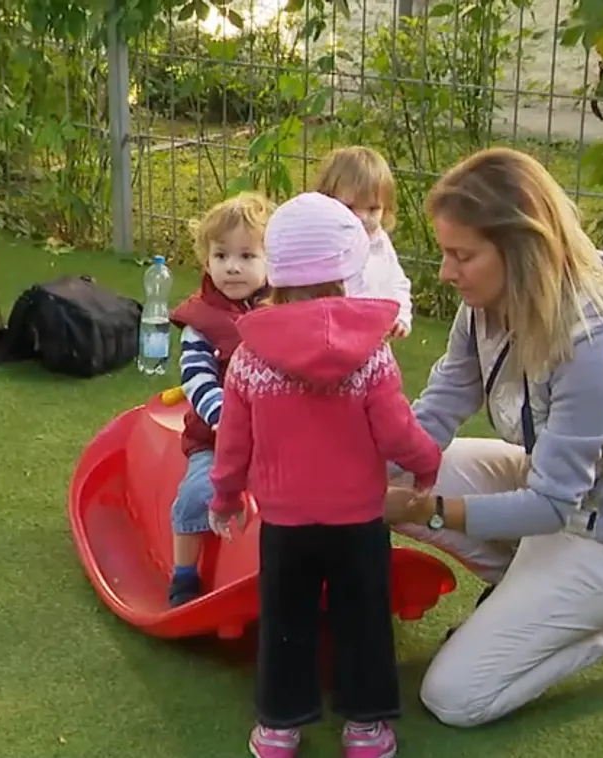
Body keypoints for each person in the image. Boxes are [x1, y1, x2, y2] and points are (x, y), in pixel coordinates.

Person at [382, 146, 603, 728]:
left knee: (453, 697)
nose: (446, 271)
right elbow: (442, 405)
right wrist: (375, 470)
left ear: (522, 251)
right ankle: (527, 603)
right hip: (547, 485)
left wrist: (431, 511)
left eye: (462, 255)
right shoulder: (484, 306)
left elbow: (552, 505)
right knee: (389, 482)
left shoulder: (602, 347)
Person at [208, 192, 442, 758]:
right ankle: (364, 727)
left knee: (287, 619)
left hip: (285, 521)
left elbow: (234, 439)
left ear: (275, 271)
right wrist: (426, 464)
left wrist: (225, 495)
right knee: (362, 618)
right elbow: (396, 431)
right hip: (358, 519)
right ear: (348, 268)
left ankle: (279, 727)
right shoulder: (371, 355)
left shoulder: (249, 356)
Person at [165, 192, 274, 607]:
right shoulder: (201, 322)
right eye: (221, 254)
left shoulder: (282, 311)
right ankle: (184, 575)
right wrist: (226, 418)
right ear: (206, 260)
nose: (232, 266)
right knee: (197, 492)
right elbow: (196, 379)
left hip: (276, 438)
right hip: (216, 438)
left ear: (270, 261)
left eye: (247, 255)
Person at [314, 146, 414, 339]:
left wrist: (400, 316)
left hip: (373, 338)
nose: (361, 217)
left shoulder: (379, 242)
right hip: (330, 336)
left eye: (373, 209)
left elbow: (396, 282)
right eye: (349, 207)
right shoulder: (322, 243)